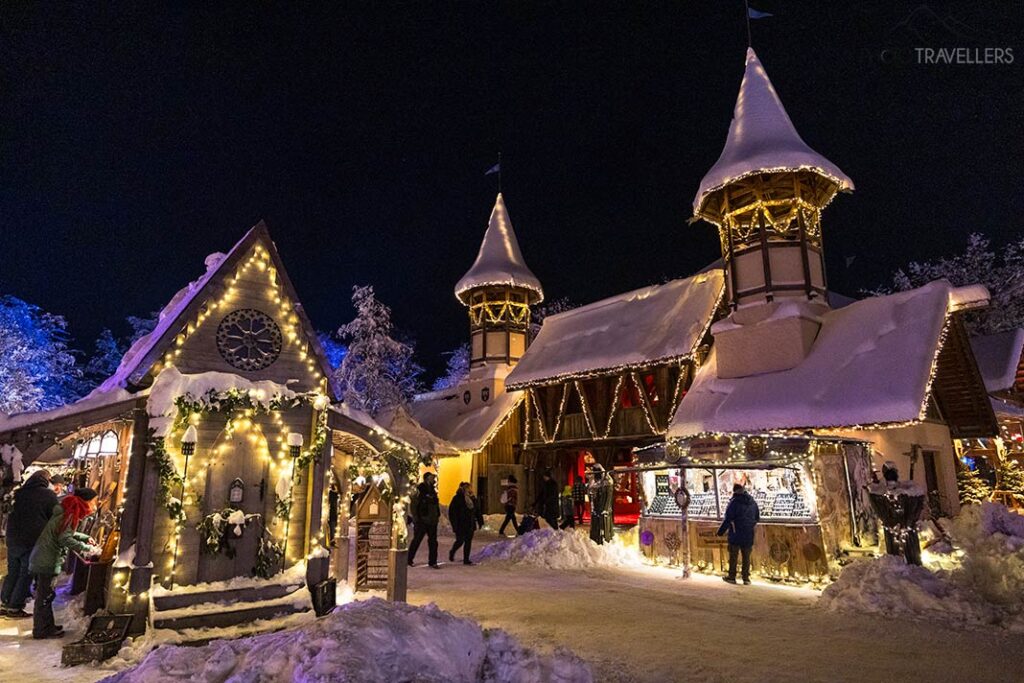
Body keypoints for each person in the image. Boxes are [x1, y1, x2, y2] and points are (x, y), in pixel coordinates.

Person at [29, 487, 100, 638]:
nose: (95, 505)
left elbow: (65, 532)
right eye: (93, 501)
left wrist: (84, 537)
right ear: (85, 501)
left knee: (46, 595)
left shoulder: (67, 511)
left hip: (44, 557)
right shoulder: (70, 514)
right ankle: (41, 630)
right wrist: (86, 548)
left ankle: (46, 627)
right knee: (45, 596)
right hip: (46, 560)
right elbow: (64, 538)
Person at [2, 470, 59, 618]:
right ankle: (15, 606)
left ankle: (5, 601)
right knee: (26, 574)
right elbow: (55, 517)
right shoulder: (48, 495)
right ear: (46, 481)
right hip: (31, 539)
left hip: (13, 537)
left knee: (13, 571)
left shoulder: (19, 493)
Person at [717, 483, 760, 585]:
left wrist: (720, 532)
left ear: (735, 491)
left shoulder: (734, 503)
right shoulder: (753, 502)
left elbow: (728, 519)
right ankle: (746, 578)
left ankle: (732, 576)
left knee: (733, 556)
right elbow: (757, 517)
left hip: (736, 533)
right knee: (746, 557)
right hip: (749, 533)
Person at [407, 472, 441, 568]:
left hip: (432, 520)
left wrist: (437, 515)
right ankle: (409, 559)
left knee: (433, 541)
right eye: (431, 477)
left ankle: (433, 561)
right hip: (423, 519)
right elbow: (415, 504)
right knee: (417, 540)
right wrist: (416, 517)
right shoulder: (420, 489)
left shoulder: (433, 490)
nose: (433, 479)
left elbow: (435, 504)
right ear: (426, 479)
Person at [448, 482, 484, 565]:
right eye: (467, 488)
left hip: (470, 523)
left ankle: (466, 559)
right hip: (460, 523)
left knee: (468, 541)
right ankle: (452, 551)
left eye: (470, 488)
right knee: (460, 541)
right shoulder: (457, 498)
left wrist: (480, 521)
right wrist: (454, 524)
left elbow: (477, 511)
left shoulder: (473, 499)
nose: (469, 489)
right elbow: (452, 512)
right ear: (463, 489)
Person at [588, 465, 614, 545]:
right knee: (597, 526)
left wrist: (604, 508)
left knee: (603, 526)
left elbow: (607, 496)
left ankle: (604, 541)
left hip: (603, 511)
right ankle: (596, 540)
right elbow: (591, 493)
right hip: (596, 511)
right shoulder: (596, 482)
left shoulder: (606, 482)